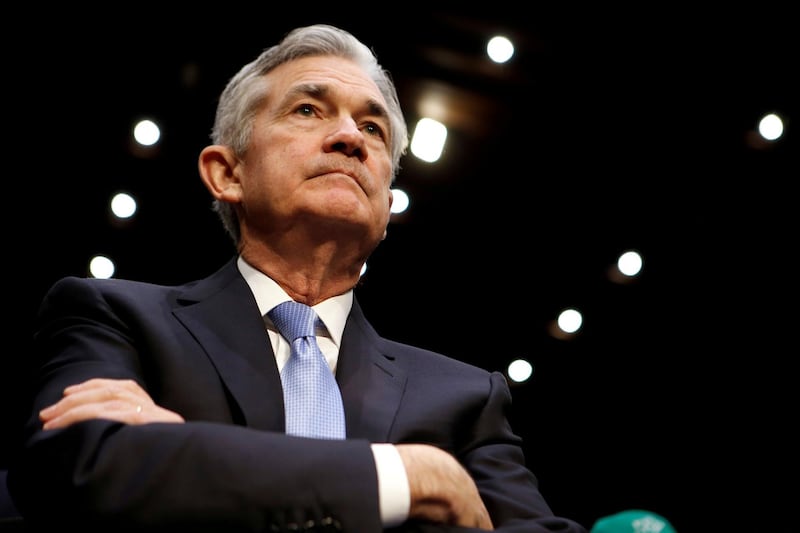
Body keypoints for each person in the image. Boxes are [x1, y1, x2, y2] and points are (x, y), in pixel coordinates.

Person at [8, 24, 588, 533]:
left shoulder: (465, 397)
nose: (350, 138)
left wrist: (179, 453)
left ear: (387, 205)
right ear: (226, 172)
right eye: (308, 110)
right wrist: (408, 477)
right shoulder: (115, 318)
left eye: (374, 128)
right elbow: (75, 470)